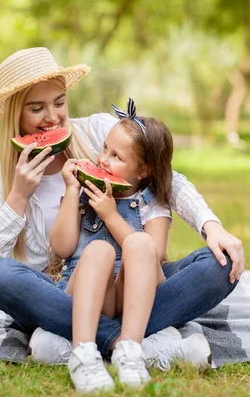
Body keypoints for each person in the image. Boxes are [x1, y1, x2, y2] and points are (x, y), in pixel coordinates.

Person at [0, 47, 245, 376]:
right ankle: (133, 344)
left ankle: (74, 339)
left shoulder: (98, 132)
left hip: (135, 282)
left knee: (221, 263)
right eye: (36, 108)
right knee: (1, 276)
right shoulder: (0, 177)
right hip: (63, 291)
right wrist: (18, 196)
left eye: (59, 102)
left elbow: (166, 178)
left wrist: (211, 225)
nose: (53, 117)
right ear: (15, 114)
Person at [51, 99, 180, 391]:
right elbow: (62, 248)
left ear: (143, 170)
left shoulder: (154, 205)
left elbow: (155, 255)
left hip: (131, 295)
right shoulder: (85, 190)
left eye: (116, 157)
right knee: (99, 250)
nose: (103, 160)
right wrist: (72, 191)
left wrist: (110, 216)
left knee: (142, 244)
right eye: (104, 149)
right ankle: (83, 353)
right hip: (88, 291)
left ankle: (129, 351)